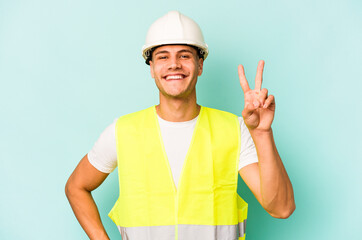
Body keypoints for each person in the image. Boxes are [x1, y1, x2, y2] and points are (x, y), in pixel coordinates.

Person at [65, 11, 295, 240]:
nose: (174, 64)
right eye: (163, 57)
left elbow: (281, 208)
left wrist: (262, 132)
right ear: (152, 68)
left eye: (184, 56)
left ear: (200, 65)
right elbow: (76, 187)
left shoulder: (233, 129)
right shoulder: (123, 131)